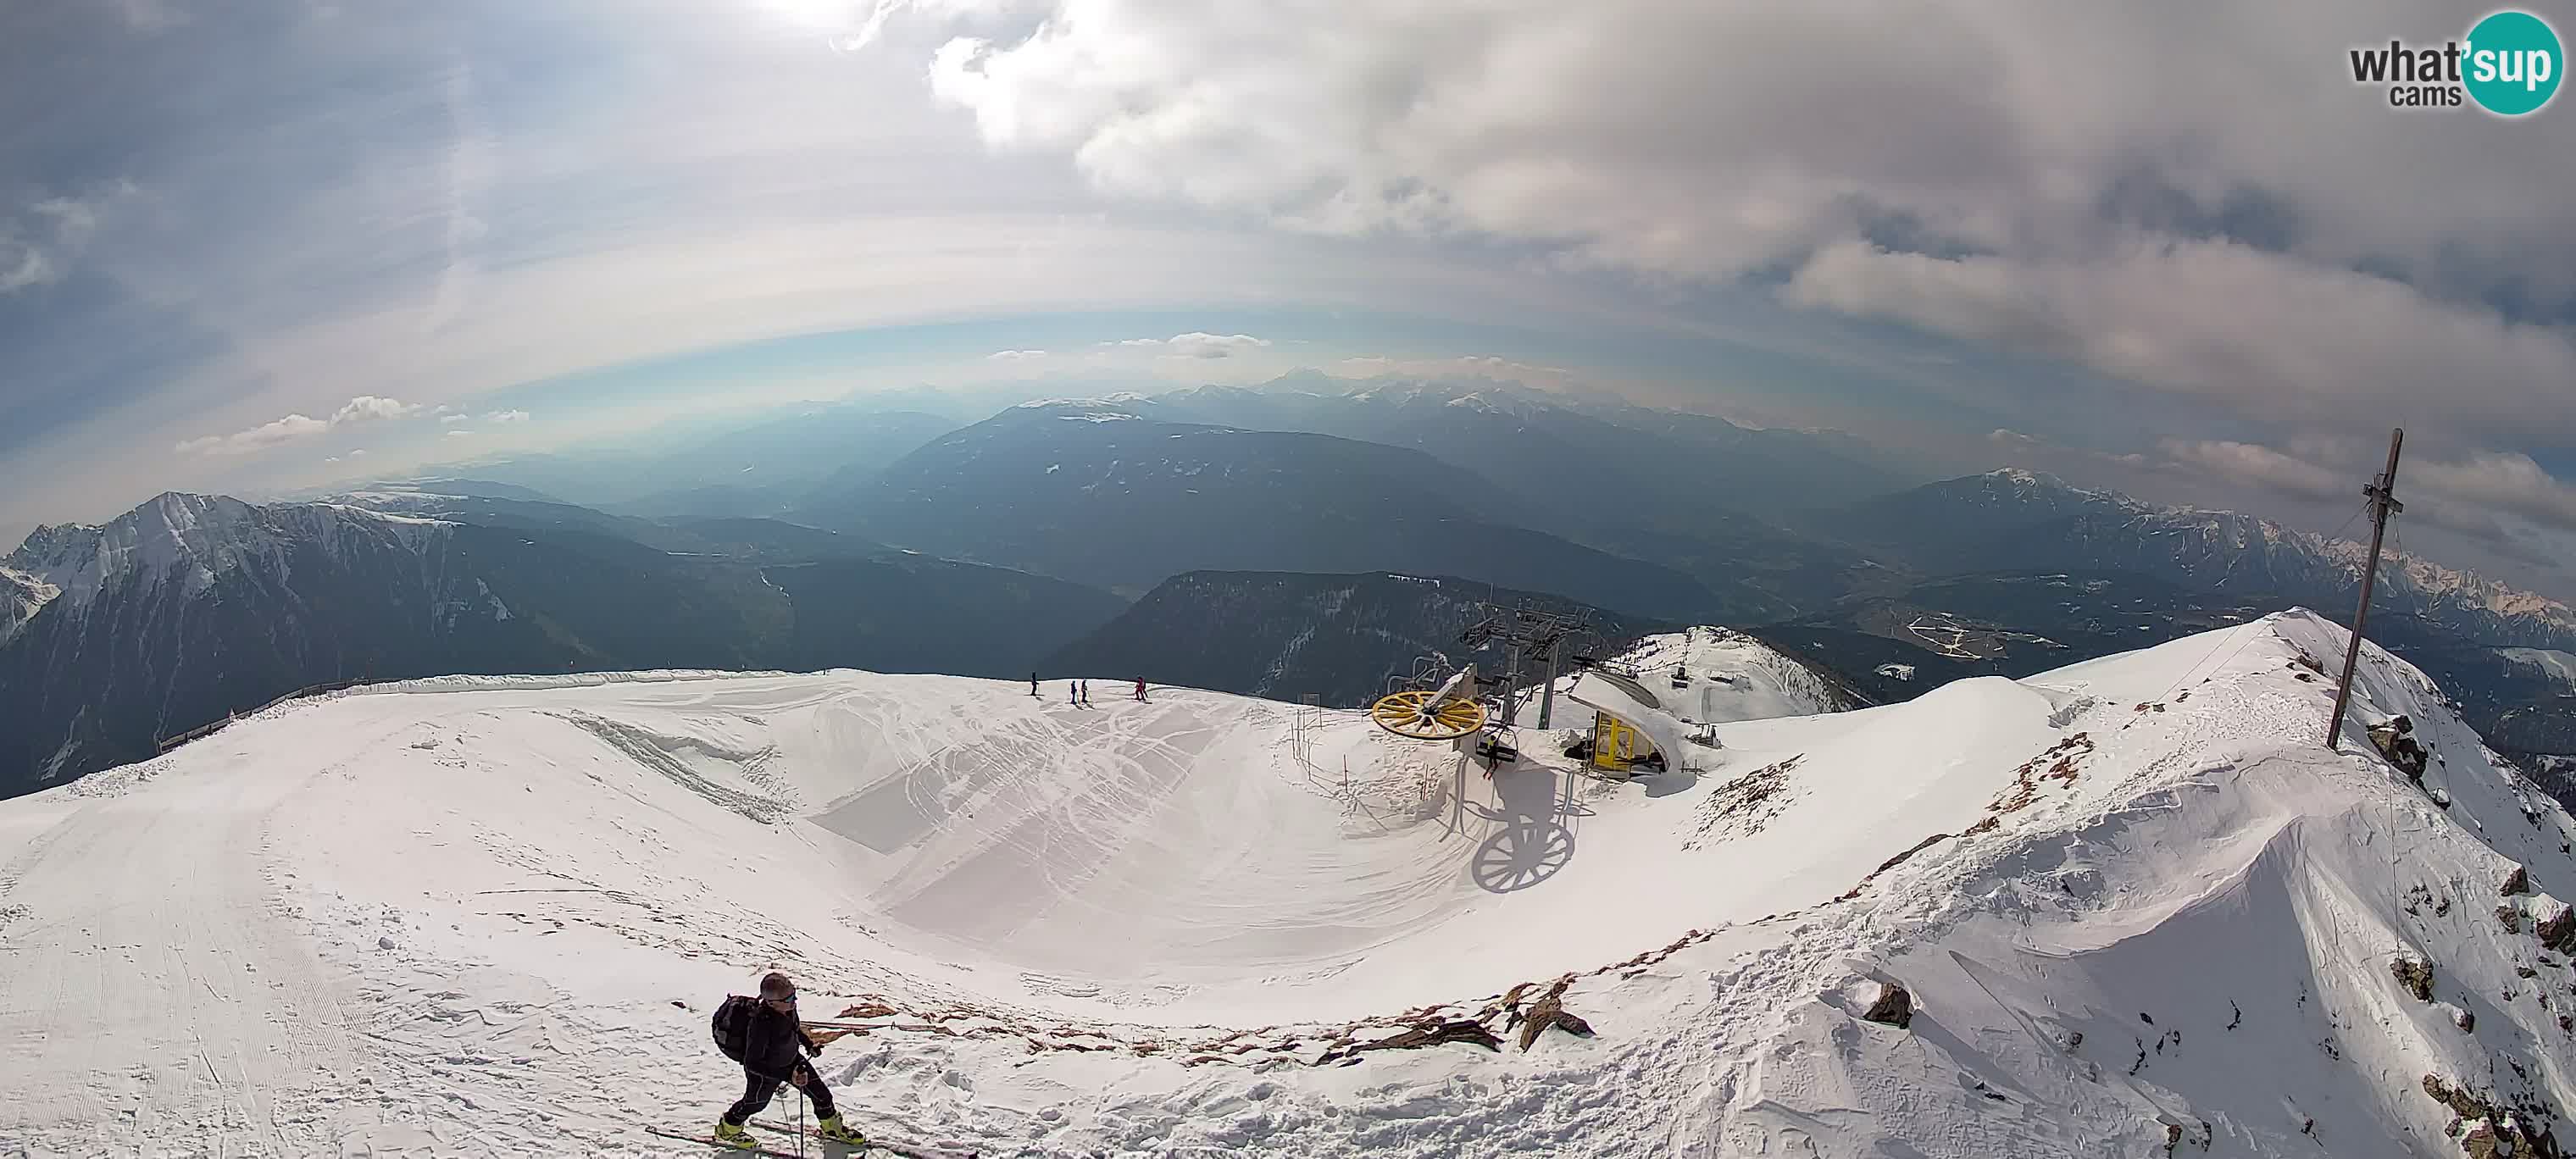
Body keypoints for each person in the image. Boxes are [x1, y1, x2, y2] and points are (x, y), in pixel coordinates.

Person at [715, 973, 863, 1149]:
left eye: (794, 994)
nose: (795, 1000)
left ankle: (831, 1129)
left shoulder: (788, 1008)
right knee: (754, 1104)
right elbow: (751, 1062)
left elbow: (794, 1028)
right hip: (765, 1073)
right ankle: (728, 1129)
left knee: (822, 1095)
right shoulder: (761, 1023)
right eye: (790, 998)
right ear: (771, 1003)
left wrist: (809, 1044)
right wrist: (787, 1075)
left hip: (793, 1061)